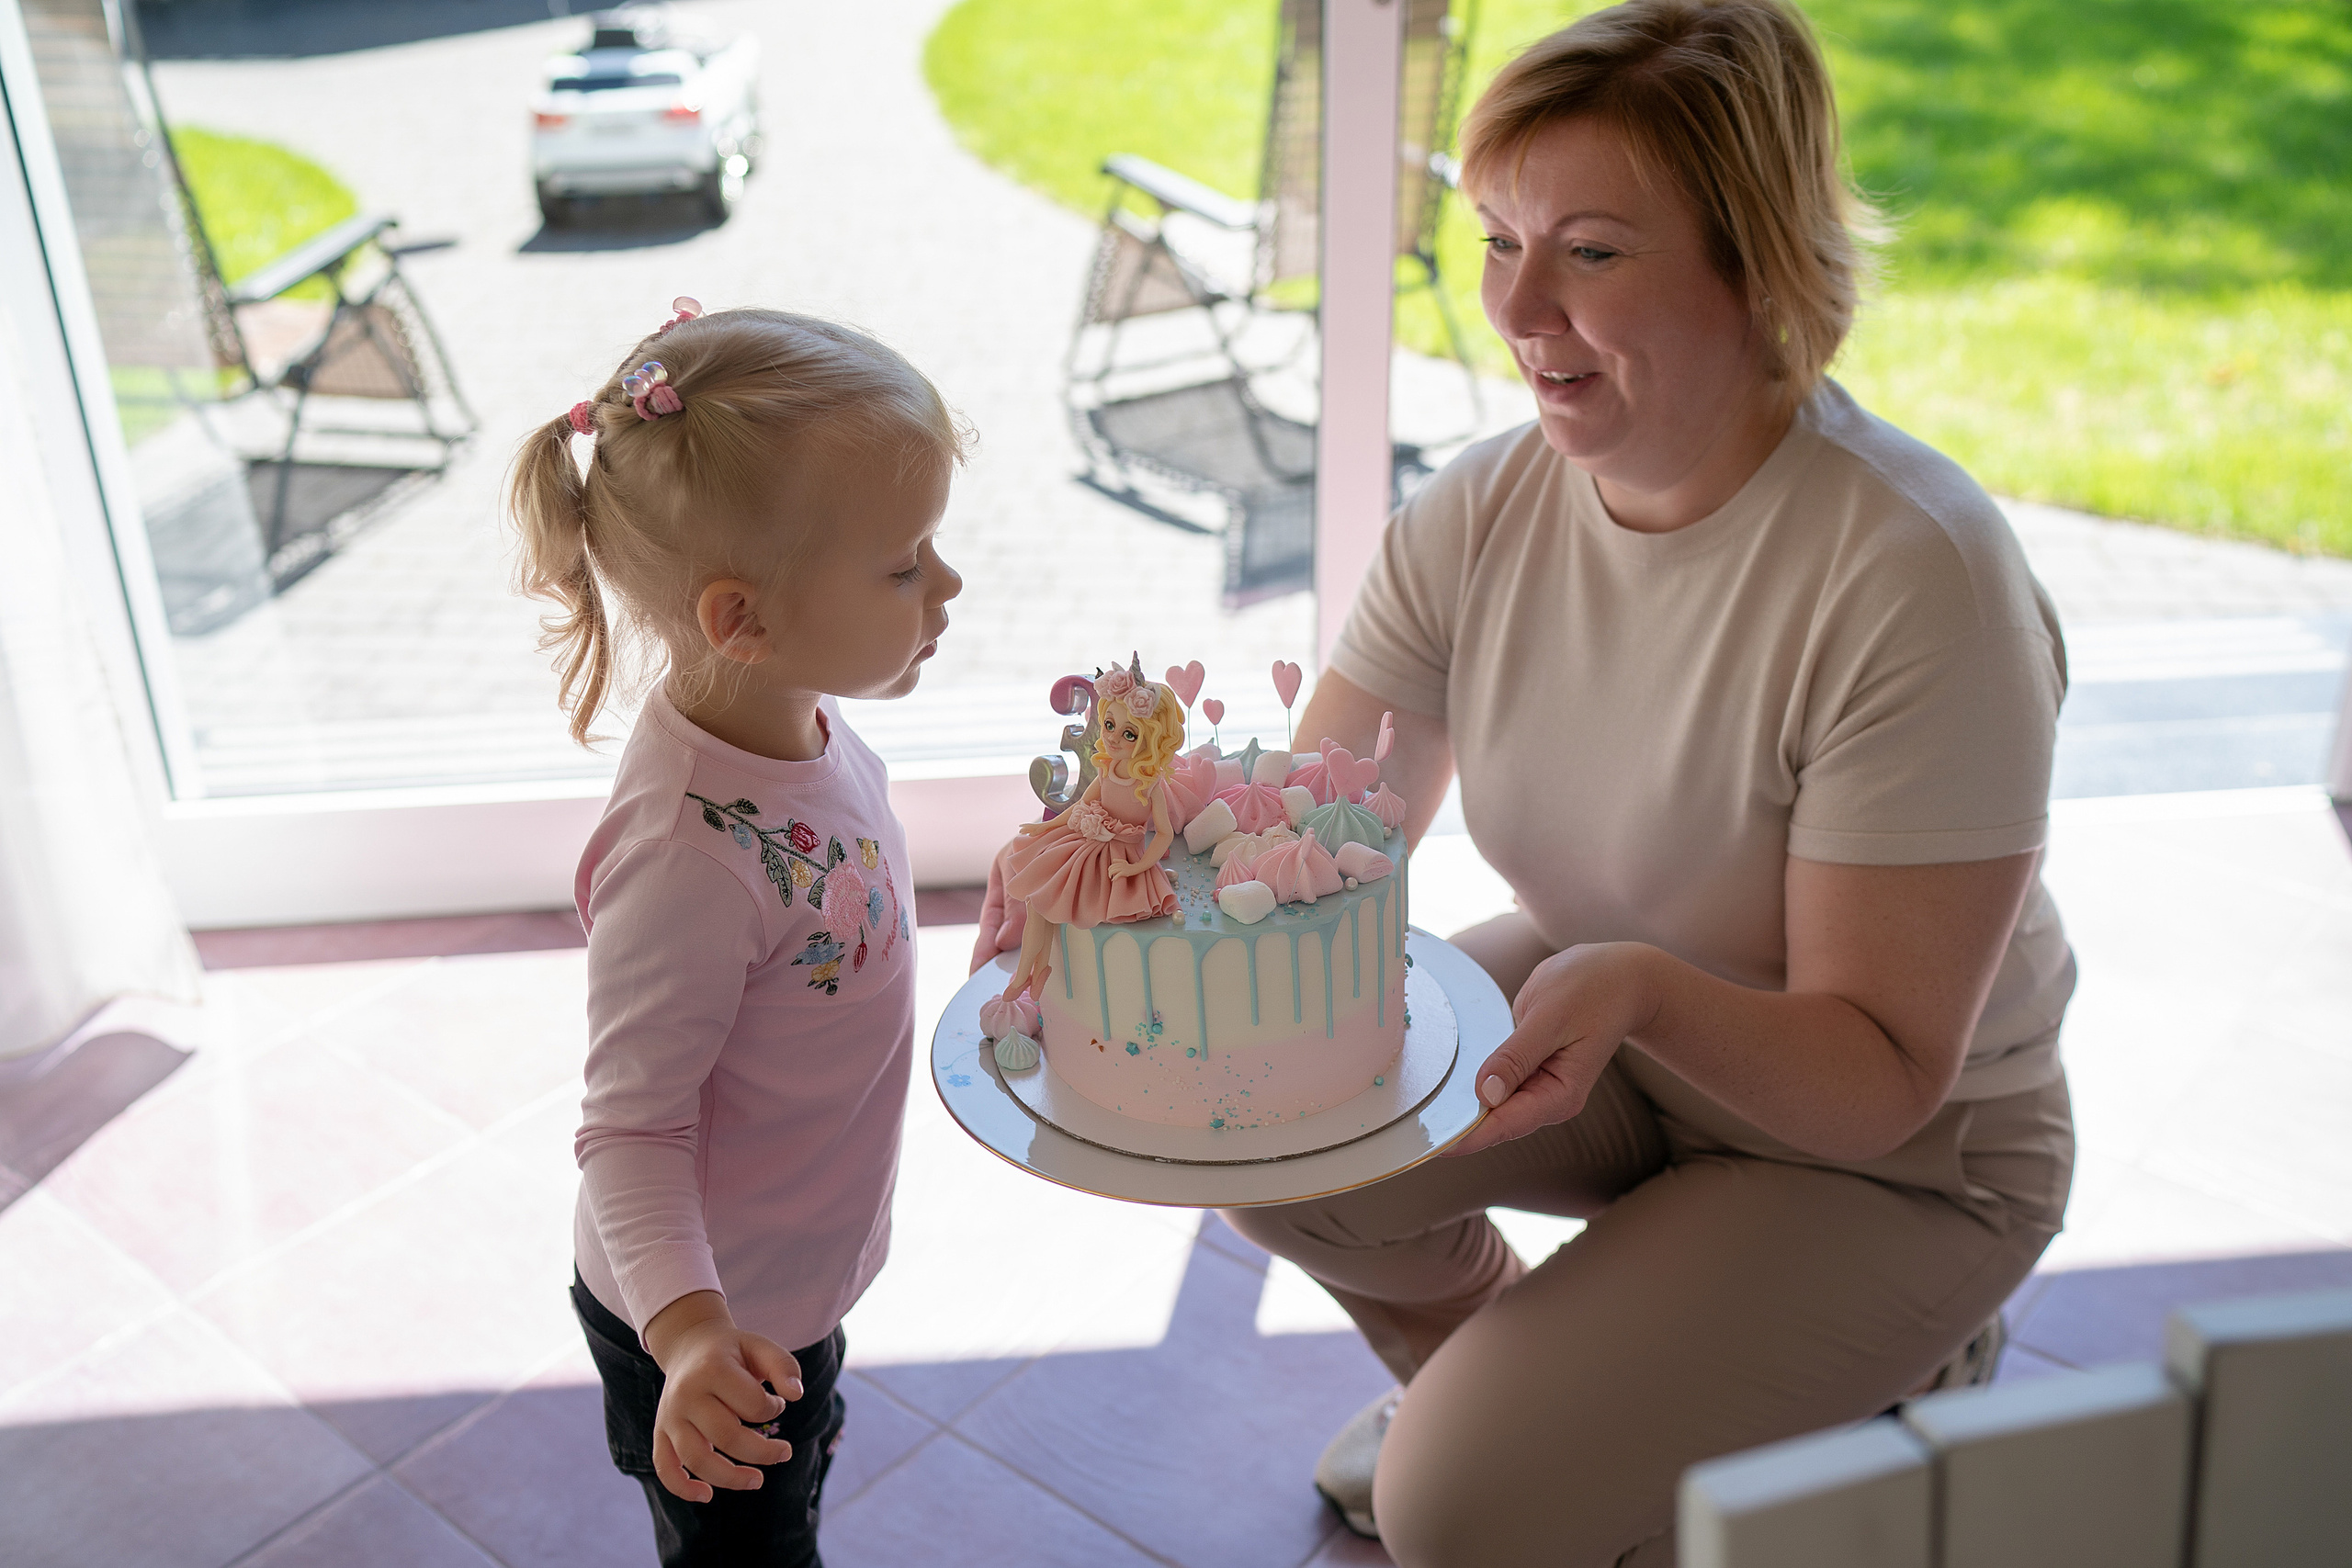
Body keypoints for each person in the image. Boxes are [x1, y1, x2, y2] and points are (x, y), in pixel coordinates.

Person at [974, 2, 2077, 1562]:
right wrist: (1101, 875)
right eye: (1496, 236)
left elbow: (1885, 1068)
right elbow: (1300, 834)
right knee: (1266, 1142)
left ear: (1757, 265)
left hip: (1900, 1150)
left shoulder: (1917, 576)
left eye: (1594, 251)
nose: (1519, 305)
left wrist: (1636, 986)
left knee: (1460, 1514)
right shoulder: (1487, 507)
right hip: (1613, 1022)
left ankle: (1857, 1364)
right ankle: (1523, 1393)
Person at [510, 299, 968, 1567]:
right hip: (707, 1323)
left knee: (789, 1499)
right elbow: (629, 1128)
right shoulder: (685, 855)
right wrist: (693, 1335)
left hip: (780, 1286)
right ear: (739, 618)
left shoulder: (793, 716)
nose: (948, 583)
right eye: (905, 563)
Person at [996, 660, 1185, 1004]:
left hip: (1118, 858)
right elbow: (1079, 806)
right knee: (1037, 899)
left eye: (1129, 734)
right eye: (1109, 725)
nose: (1112, 738)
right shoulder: (1108, 767)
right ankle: (1033, 972)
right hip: (1085, 843)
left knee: (1042, 901)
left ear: (1149, 740)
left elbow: (1164, 835)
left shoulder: (1150, 784)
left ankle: (1030, 974)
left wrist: (1138, 867)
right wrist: (1047, 826)